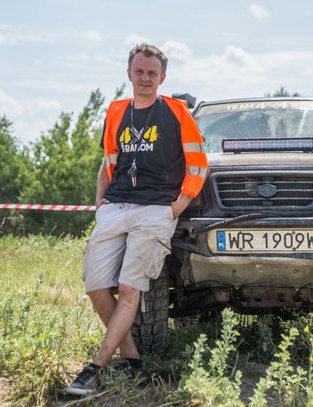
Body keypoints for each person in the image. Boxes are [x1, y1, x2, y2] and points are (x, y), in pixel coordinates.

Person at [65, 43, 208, 396]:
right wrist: (99, 202)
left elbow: (198, 164)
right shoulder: (116, 111)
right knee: (97, 288)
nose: (145, 78)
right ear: (129, 73)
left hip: (155, 210)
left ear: (163, 77)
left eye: (152, 73)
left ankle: (94, 368)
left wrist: (177, 206)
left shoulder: (176, 112)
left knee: (129, 289)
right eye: (139, 71)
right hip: (115, 208)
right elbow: (108, 160)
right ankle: (132, 359)